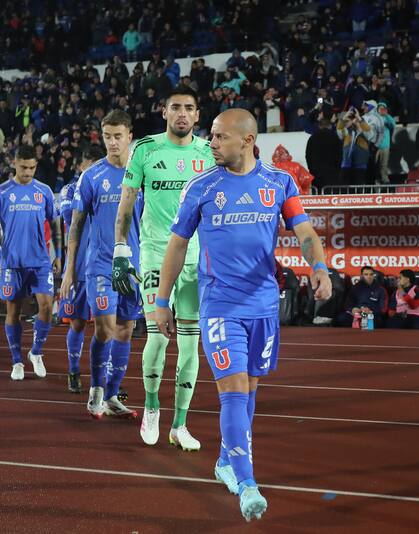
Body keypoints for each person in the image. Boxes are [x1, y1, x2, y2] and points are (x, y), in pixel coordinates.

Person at [154, 109, 331, 521]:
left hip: (263, 306)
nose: (211, 143)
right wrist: (162, 301)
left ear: (247, 141)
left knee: (249, 390)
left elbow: (304, 232)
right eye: (211, 136)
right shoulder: (200, 187)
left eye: (219, 137)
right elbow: (177, 244)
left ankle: (225, 462)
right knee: (233, 390)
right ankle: (247, 483)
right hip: (220, 307)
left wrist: (319, 266)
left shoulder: (279, 183)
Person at [113, 86, 215, 450]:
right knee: (157, 336)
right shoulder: (145, 150)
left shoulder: (209, 152)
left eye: (189, 107)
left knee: (190, 344)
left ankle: (180, 424)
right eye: (176, 107)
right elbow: (126, 204)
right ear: (164, 112)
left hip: (196, 258)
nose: (182, 113)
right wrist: (121, 249)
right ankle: (152, 406)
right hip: (156, 255)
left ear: (197, 115)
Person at [61, 110, 143, 419]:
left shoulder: (143, 174)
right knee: (105, 328)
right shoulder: (91, 177)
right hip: (100, 265)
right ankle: (96, 388)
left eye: (117, 136)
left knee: (125, 330)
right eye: (107, 136)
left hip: (133, 265)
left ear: (129, 136)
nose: (112, 142)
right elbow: (76, 226)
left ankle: (112, 395)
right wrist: (69, 270)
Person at [0, 145, 60, 381]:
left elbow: (55, 222)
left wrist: (58, 253)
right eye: (23, 167)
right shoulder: (0, 192)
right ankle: (17, 360)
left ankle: (36, 352)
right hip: (13, 262)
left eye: (31, 168)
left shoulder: (44, 191)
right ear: (14, 164)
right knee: (13, 311)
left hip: (40, 261)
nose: (28, 172)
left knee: (46, 307)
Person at [58, 145, 104, 393]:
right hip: (78, 268)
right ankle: (74, 370)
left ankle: (102, 379)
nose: (94, 168)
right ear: (80, 166)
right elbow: (71, 218)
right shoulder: (69, 190)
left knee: (105, 326)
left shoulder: (112, 186)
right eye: (89, 163)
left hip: (102, 267)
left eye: (98, 163)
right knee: (77, 323)